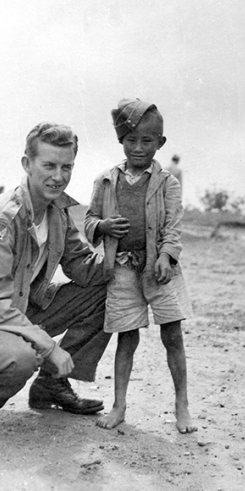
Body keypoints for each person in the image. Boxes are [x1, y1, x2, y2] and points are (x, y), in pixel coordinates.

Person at [0, 122, 111, 422]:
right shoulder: (1, 219)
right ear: (27, 164)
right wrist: (48, 345)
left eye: (67, 167)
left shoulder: (57, 213)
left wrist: (121, 258)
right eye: (49, 165)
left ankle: (51, 386)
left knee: (105, 291)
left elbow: (81, 268)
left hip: (14, 307)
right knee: (20, 357)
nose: (58, 177)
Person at [85, 98, 196, 434]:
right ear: (121, 141)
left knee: (173, 335)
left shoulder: (168, 183)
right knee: (126, 337)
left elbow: (173, 227)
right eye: (131, 140)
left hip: (160, 271)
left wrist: (165, 256)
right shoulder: (106, 180)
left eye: (147, 141)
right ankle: (119, 405)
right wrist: (103, 227)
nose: (138, 148)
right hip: (121, 268)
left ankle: (182, 405)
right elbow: (90, 219)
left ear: (160, 143)